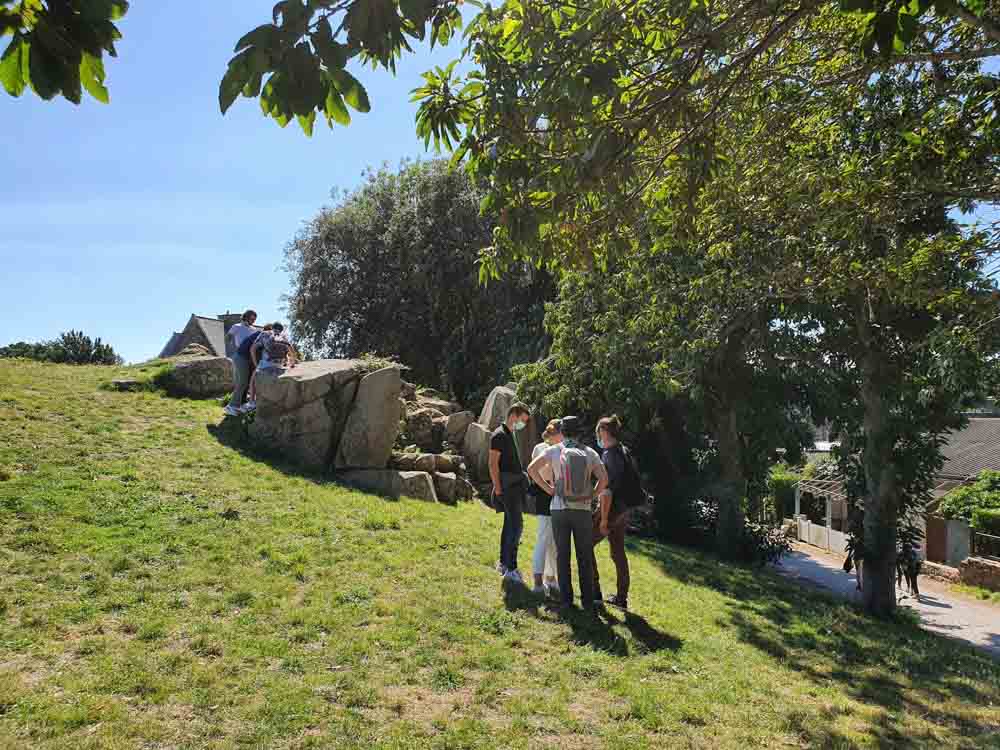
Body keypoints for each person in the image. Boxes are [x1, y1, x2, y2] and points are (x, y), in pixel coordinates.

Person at [528, 415, 607, 611]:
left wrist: (549, 489)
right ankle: (588, 602)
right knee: (584, 556)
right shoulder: (590, 453)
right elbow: (604, 480)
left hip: (559, 509)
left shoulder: (555, 450)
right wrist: (591, 496)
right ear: (580, 432)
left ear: (562, 432)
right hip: (582, 511)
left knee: (562, 556)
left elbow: (531, 469)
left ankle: (566, 601)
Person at [592, 414, 633, 610]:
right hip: (624, 510)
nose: (597, 436)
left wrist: (603, 519)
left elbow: (607, 491)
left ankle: (594, 592)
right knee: (618, 553)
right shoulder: (624, 451)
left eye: (599, 432)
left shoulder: (608, 455)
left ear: (605, 432)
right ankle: (621, 598)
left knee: (585, 544)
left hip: (611, 510)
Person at [490, 402, 532, 583]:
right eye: (523, 419)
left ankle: (503, 563)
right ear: (514, 415)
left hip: (515, 486)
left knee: (509, 525)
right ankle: (512, 569)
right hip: (508, 488)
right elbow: (492, 464)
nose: (524, 424)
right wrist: (498, 488)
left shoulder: (510, 434)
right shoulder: (499, 435)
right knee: (516, 526)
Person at [529, 420, 562, 598]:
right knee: (545, 539)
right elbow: (546, 474)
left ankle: (550, 578)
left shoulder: (539, 447)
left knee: (552, 541)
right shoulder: (550, 450)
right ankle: (538, 582)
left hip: (547, 495)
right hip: (548, 495)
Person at [243, 323, 296, 411]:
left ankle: (252, 402)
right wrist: (292, 364)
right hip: (280, 364)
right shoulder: (284, 336)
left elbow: (253, 348)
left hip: (266, 364)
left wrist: (256, 364)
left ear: (272, 328)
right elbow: (292, 351)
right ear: (281, 329)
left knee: (252, 380)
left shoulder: (265, 334)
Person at [224, 309, 258, 417]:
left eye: (254, 319)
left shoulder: (254, 329)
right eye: (251, 318)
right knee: (242, 382)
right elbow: (227, 339)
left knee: (247, 382)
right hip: (240, 356)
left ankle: (240, 405)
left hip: (249, 356)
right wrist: (233, 351)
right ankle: (231, 406)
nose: (253, 321)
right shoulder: (236, 327)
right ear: (246, 317)